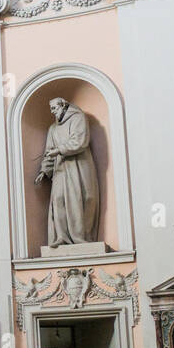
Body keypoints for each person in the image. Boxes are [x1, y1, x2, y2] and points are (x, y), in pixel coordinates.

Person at [37, 98, 100, 247]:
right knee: (58, 200)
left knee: (76, 200)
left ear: (63, 106)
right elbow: (48, 152)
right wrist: (45, 170)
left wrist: (59, 150)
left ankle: (80, 237)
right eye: (51, 109)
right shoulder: (52, 129)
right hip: (60, 170)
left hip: (78, 167)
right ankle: (62, 236)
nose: (52, 111)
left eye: (54, 108)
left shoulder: (78, 118)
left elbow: (80, 141)